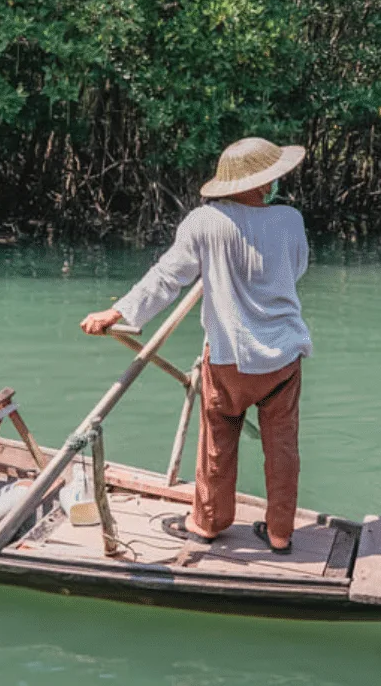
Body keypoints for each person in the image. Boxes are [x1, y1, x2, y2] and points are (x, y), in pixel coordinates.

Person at [80, 137, 311, 553]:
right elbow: (294, 270)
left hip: (229, 358)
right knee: (282, 446)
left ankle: (208, 522)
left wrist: (117, 313)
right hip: (283, 357)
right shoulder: (290, 220)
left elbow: (168, 278)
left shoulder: (204, 222)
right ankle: (280, 532)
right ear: (263, 183)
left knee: (218, 441)